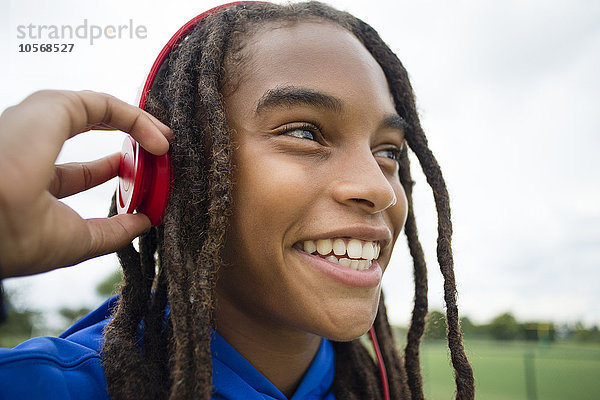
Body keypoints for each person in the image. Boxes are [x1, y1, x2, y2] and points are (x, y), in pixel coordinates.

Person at [0, 2, 474, 399]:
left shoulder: (374, 387)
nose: (379, 188)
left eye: (387, 151)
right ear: (178, 175)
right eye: (306, 133)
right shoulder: (39, 386)